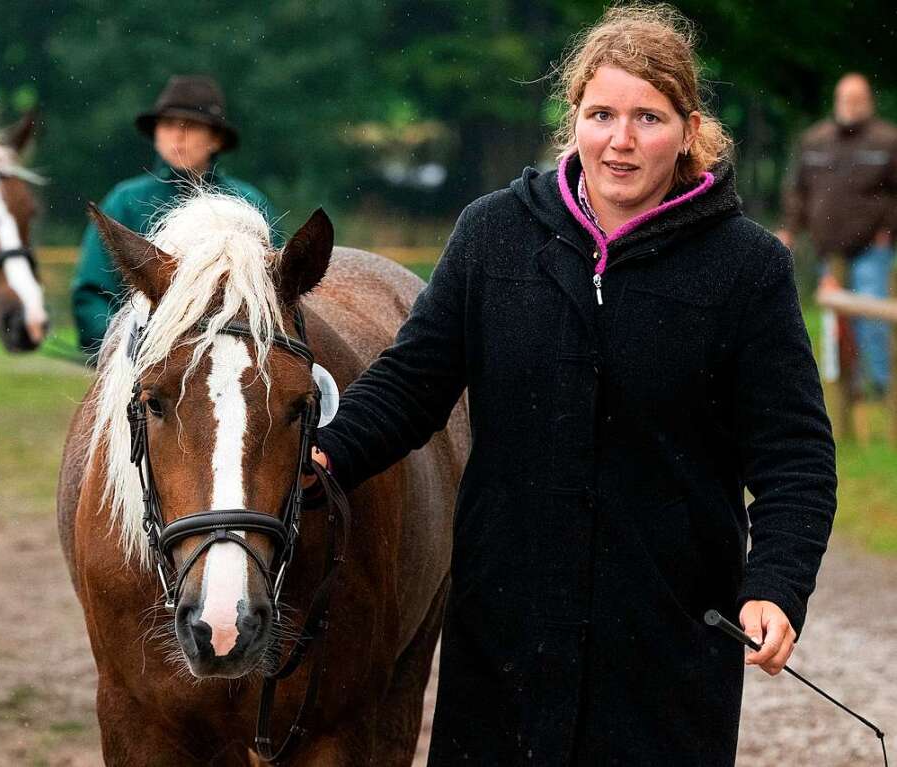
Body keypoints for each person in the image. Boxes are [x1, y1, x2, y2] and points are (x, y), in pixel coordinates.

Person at [312, 5, 836, 765]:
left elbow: (793, 456)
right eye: (601, 114)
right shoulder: (492, 235)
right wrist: (322, 458)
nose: (620, 140)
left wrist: (777, 582)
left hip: (669, 636)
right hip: (504, 628)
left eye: (647, 118)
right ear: (572, 119)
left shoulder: (745, 268)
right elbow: (411, 384)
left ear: (688, 130)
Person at [72, 74, 279, 357]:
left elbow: (278, 293)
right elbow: (92, 293)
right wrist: (123, 350)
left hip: (237, 360)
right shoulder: (124, 201)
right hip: (138, 362)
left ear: (216, 139)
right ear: (156, 135)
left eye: (191, 126)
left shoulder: (250, 205)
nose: (177, 136)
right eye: (168, 125)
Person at [779, 73, 897, 397]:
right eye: (845, 99)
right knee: (835, 324)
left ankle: (881, 388)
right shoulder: (815, 140)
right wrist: (790, 229)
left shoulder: (887, 141)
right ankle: (845, 388)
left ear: (869, 102)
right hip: (827, 250)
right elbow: (797, 190)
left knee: (872, 316)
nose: (851, 106)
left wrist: (889, 230)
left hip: (872, 248)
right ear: (836, 100)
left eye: (857, 99)